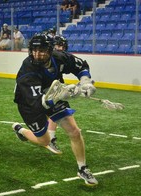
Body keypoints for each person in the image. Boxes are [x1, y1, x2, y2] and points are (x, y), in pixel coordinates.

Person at [12, 33, 98, 186]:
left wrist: (85, 82)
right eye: (35, 50)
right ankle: (21, 130)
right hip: (28, 102)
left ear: (50, 50)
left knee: (74, 131)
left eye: (42, 49)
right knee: (44, 140)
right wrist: (62, 95)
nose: (38, 54)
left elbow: (81, 66)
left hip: (52, 93)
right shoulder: (28, 70)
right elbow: (38, 104)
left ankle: (83, 169)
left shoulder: (59, 57)